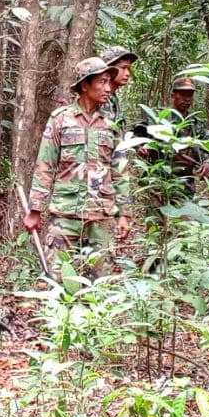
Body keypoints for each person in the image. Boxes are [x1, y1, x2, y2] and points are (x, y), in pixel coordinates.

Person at [22, 56, 129, 276]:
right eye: (101, 82)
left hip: (102, 215)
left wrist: (124, 214)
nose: (108, 88)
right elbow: (45, 165)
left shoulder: (112, 124)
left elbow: (120, 170)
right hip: (65, 215)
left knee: (100, 283)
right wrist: (35, 210)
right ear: (85, 85)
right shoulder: (60, 119)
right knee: (58, 279)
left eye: (109, 82)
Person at [101, 46, 138, 130]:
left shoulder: (113, 98)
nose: (128, 73)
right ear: (110, 68)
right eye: (123, 68)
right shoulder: (98, 98)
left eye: (129, 68)